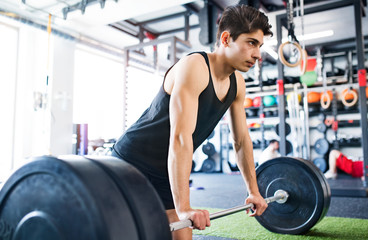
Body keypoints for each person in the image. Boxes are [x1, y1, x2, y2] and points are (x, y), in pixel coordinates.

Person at [112, 5, 273, 239]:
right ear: (226, 39)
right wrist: (185, 207)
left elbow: (241, 141)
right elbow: (180, 138)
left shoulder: (237, 84)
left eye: (259, 45)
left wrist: (254, 192)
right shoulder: (195, 67)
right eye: (251, 42)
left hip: (166, 171)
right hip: (130, 162)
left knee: (182, 236)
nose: (258, 54)